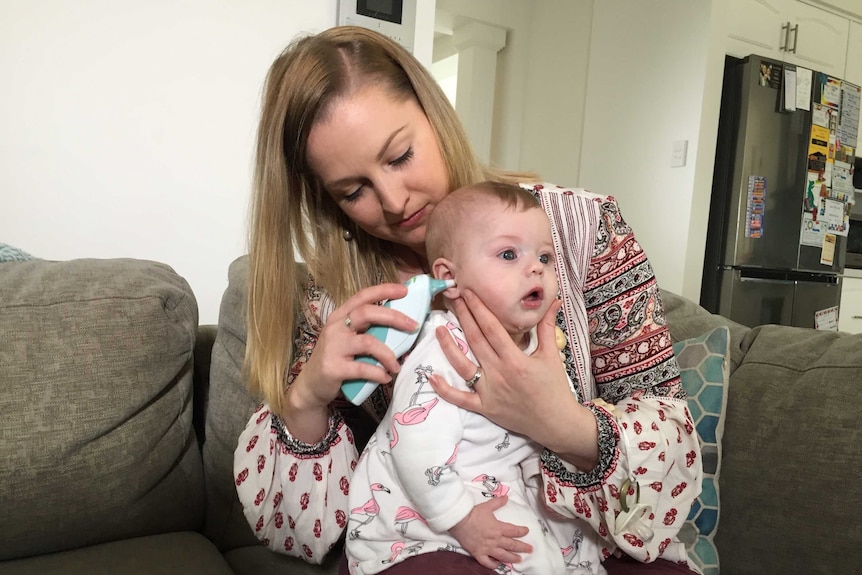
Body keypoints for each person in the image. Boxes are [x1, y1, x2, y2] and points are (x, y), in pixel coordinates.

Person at [233, 25, 702, 575]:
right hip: (444, 544)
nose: (393, 199)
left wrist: (558, 421)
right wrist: (308, 395)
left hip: (587, 540)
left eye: (401, 155)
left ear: (435, 114)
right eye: (353, 191)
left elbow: (668, 441)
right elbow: (304, 536)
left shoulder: (581, 230)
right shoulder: (337, 302)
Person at [346, 181, 582, 575]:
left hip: (498, 486)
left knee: (575, 540)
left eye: (545, 256)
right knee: (526, 550)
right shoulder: (442, 345)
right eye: (509, 254)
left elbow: (557, 426)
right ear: (449, 277)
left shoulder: (540, 348)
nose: (536, 267)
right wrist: (462, 519)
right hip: (428, 508)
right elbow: (415, 445)